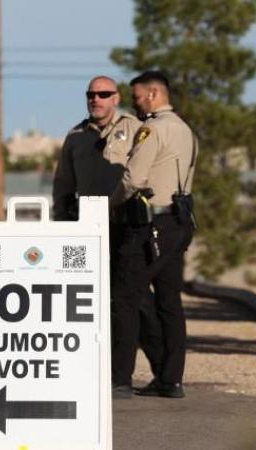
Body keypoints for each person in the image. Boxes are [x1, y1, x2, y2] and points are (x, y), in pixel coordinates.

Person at [52, 75, 164, 396]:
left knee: (135, 299)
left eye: (104, 94)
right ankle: (111, 374)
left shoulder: (134, 129)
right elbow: (63, 184)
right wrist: (62, 224)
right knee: (94, 302)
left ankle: (161, 370)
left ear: (116, 98)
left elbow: (143, 172)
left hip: (127, 224)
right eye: (91, 94)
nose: (96, 99)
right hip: (88, 226)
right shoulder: (75, 137)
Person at [110, 71, 197, 399]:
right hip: (179, 222)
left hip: (150, 227)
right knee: (169, 302)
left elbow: (133, 178)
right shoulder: (187, 130)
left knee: (124, 296)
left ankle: (120, 379)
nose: (134, 101)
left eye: (137, 95)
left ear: (153, 94)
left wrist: (110, 203)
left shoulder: (152, 129)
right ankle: (170, 379)